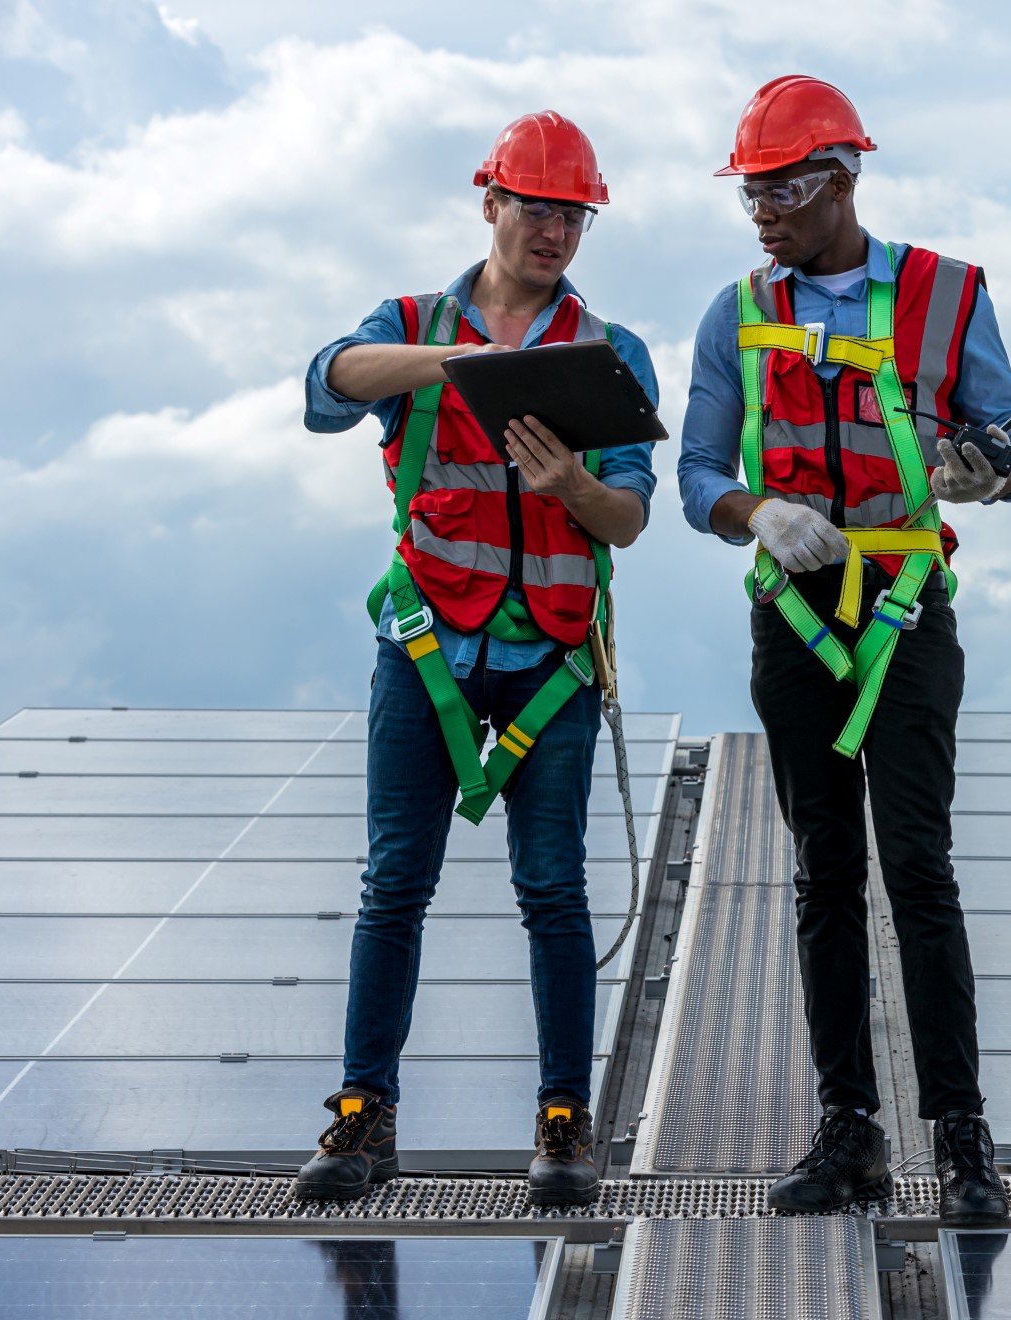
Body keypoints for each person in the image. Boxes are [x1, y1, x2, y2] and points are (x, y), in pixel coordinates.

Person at [679, 75, 1011, 1227]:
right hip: (794, 616)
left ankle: (964, 1135)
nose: (764, 212)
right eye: (750, 192)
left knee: (919, 868)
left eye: (783, 187)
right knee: (821, 873)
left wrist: (991, 472)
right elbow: (698, 471)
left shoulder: (944, 295)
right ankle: (849, 1131)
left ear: (842, 177)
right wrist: (755, 515)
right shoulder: (734, 313)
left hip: (904, 609)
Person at [292, 112, 657, 1206]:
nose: (554, 231)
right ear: (490, 203)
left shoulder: (610, 353)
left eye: (572, 214)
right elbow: (326, 382)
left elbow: (630, 518)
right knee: (393, 882)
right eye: (536, 207)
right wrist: (461, 364)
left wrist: (570, 490)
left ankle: (562, 1125)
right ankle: (362, 1117)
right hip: (426, 652)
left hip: (551, 660)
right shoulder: (410, 324)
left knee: (553, 889)